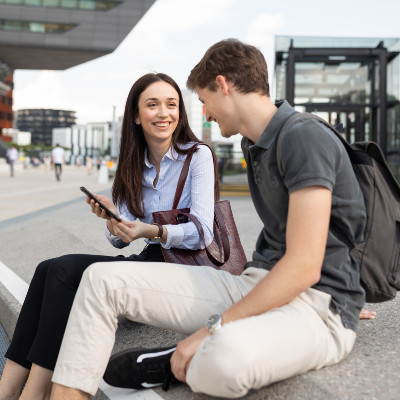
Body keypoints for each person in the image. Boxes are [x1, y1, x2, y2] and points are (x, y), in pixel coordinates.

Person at [45, 39, 374, 400]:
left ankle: (169, 360)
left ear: (223, 85)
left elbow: (304, 268)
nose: (205, 113)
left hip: (320, 309)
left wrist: (211, 330)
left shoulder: (303, 136)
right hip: (256, 285)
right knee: (100, 279)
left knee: (225, 361)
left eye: (203, 100)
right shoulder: (258, 143)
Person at [0, 72, 218, 400]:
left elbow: (203, 232)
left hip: (190, 271)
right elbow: (121, 238)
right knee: (47, 268)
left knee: (62, 272)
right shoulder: (133, 163)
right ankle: (7, 389)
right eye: (153, 105)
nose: (164, 113)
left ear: (180, 112)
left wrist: (154, 231)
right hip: (151, 261)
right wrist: (112, 221)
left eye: (171, 104)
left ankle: (33, 393)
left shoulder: (197, 155)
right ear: (135, 115)